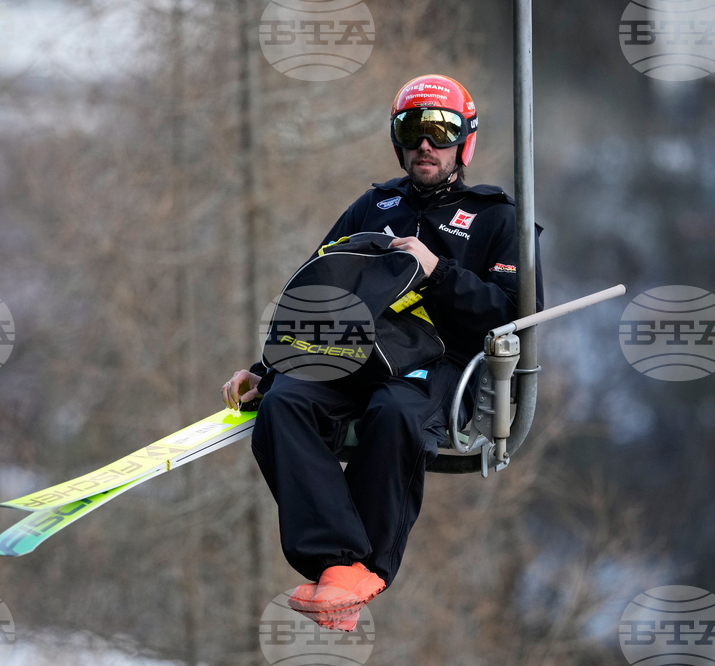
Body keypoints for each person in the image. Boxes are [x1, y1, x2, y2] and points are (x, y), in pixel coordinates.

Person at [222, 74, 544, 630]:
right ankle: (337, 565)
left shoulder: (497, 219)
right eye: (413, 130)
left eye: (441, 132)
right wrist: (267, 368)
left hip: (440, 363)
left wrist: (436, 271)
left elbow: (509, 316)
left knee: (393, 412)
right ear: (397, 139)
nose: (426, 144)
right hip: (355, 353)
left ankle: (365, 567)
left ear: (463, 143)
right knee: (284, 404)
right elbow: (319, 292)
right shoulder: (373, 207)